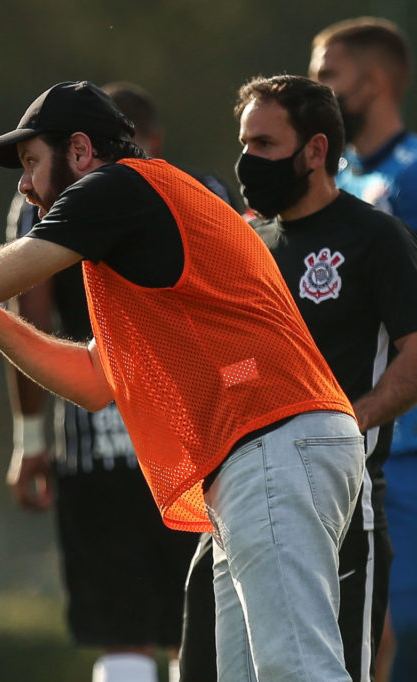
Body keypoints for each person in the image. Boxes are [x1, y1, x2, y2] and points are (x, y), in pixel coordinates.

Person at [0, 80, 366, 680]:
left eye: (33, 161)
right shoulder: (127, 227)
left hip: (272, 442)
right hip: (265, 451)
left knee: (297, 671)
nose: (24, 182)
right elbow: (94, 380)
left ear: (83, 151)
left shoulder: (118, 187)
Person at [179, 73, 417, 682]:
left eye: (263, 145)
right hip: (236, 499)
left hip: (342, 502)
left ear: (315, 150)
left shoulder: (375, 238)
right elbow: (234, 362)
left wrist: (348, 419)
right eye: (243, 143)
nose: (245, 161)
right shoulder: (246, 243)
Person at [5, 81, 204, 682]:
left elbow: (30, 312)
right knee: (194, 627)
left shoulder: (47, 202)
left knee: (121, 632)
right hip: (186, 443)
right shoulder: (193, 193)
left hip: (93, 440)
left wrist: (30, 438)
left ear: (85, 148)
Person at [311, 18, 417, 680]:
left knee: (394, 629)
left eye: (329, 76)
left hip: (404, 444)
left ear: (374, 82)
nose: (317, 90)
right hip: (339, 440)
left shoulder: (409, 175)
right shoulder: (328, 182)